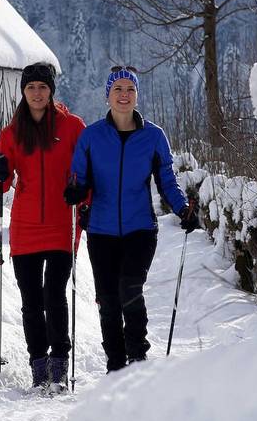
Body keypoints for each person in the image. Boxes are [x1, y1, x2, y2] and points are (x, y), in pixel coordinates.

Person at [65, 67, 199, 372]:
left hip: (140, 229)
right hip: (100, 230)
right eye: (118, 89)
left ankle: (137, 357)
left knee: (130, 288)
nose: (124, 95)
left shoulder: (153, 136)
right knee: (108, 300)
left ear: (137, 96)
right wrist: (75, 190)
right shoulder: (91, 137)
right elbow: (78, 177)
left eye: (130, 89)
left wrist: (183, 209)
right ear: (108, 95)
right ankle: (115, 364)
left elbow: (167, 181)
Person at [0, 61, 87, 391]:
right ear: (23, 92)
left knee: (54, 295)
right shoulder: (12, 132)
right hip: (25, 229)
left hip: (62, 226)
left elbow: (87, 173)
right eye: (31, 87)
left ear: (51, 90)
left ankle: (59, 365)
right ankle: (39, 365)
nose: (37, 93)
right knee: (31, 302)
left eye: (43, 87)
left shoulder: (72, 127)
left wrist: (83, 199)